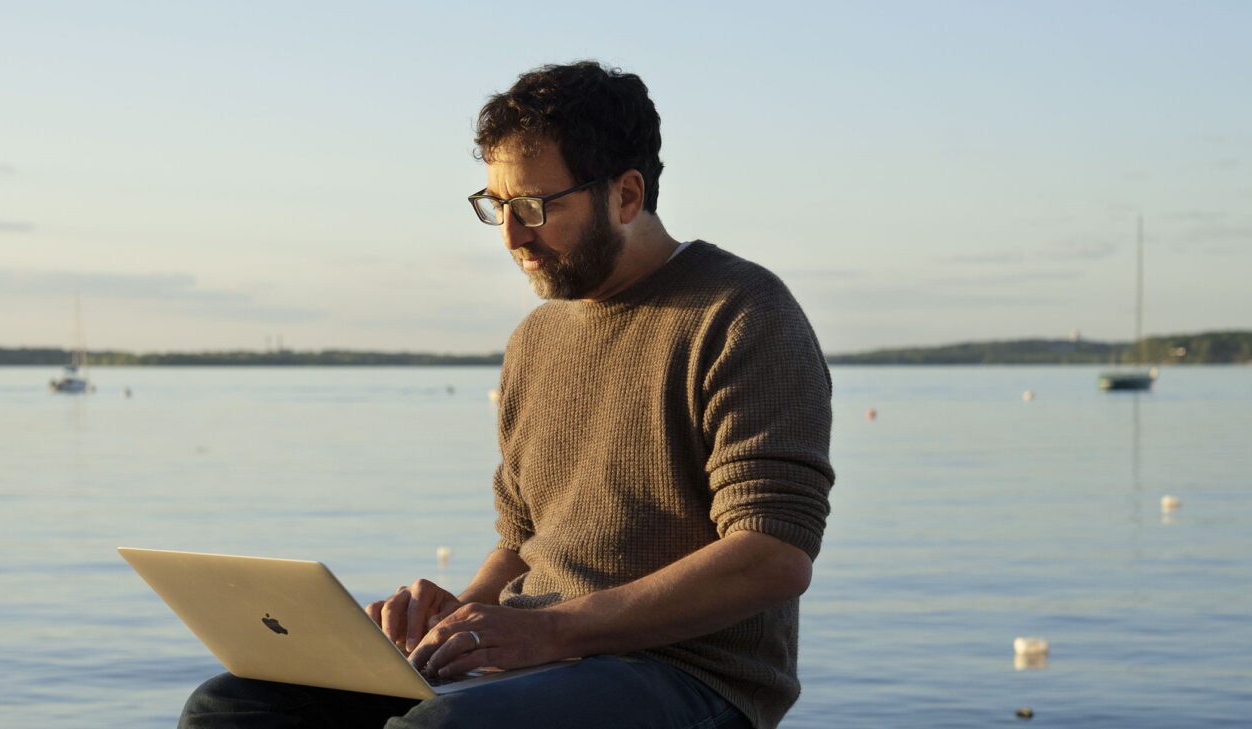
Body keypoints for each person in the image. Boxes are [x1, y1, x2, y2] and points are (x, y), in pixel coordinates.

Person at [178, 60, 833, 729]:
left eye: (532, 207)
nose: (512, 236)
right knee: (229, 706)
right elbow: (522, 543)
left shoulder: (743, 314)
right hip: (536, 660)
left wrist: (553, 630)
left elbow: (773, 555)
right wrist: (452, 620)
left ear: (627, 196)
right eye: (496, 207)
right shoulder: (536, 338)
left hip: (687, 675)